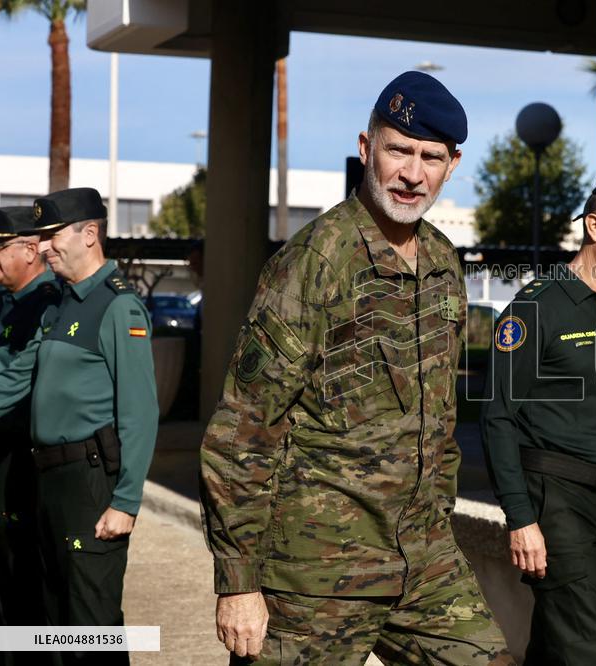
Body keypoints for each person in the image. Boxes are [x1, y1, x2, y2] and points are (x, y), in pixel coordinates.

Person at [200, 71, 512, 665]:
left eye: (430, 157)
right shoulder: (315, 262)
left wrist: (438, 513)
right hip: (315, 573)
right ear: (367, 148)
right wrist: (238, 582)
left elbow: (440, 416)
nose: (412, 173)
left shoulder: (443, 261)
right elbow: (244, 428)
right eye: (399, 150)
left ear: (452, 165)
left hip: (422, 561)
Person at [481, 170, 596, 665]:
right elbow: (498, 417)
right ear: (594, 226)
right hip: (555, 502)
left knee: (556, 646)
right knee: (593, 649)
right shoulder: (536, 309)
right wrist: (521, 518)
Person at [0, 188, 158, 663]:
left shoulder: (118, 307)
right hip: (51, 482)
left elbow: (140, 412)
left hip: (89, 483)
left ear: (90, 234)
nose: (45, 246)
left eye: (53, 235)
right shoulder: (64, 302)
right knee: (57, 626)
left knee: (92, 631)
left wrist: (125, 502)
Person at [0, 206, 58, 639]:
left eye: (0, 248)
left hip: (28, 459)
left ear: (30, 250)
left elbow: (16, 382)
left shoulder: (48, 304)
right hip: (6, 453)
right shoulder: (8, 302)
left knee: (29, 581)